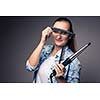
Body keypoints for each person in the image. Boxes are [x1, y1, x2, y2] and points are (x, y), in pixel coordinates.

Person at [26, 17, 81, 83]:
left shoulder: (74, 62)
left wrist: (60, 79)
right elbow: (30, 67)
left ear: (70, 36)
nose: (58, 36)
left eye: (64, 33)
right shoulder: (45, 49)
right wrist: (42, 41)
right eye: (56, 31)